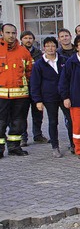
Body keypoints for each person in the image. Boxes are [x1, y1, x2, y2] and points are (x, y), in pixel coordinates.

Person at [29, 37, 73, 158]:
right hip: (49, 97)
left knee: (71, 120)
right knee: (53, 122)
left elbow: (70, 78)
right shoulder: (39, 64)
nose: (50, 48)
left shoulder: (64, 60)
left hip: (65, 96)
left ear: (56, 46)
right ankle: (55, 146)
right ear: (44, 48)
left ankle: (73, 144)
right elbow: (35, 83)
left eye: (53, 46)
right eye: (47, 46)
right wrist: (37, 100)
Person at [0, 24, 34, 158]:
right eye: (8, 33)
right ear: (2, 33)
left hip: (21, 95)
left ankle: (14, 147)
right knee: (0, 122)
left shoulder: (23, 52)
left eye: (13, 33)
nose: (11, 35)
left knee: (19, 122)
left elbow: (30, 72)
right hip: (1, 95)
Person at [20, 30, 48, 146]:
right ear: (21, 39)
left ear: (33, 40)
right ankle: (23, 138)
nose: (28, 40)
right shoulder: (18, 52)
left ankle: (37, 135)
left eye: (30, 38)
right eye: (25, 38)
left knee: (37, 113)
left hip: (36, 88)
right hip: (22, 89)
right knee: (22, 114)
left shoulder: (38, 54)